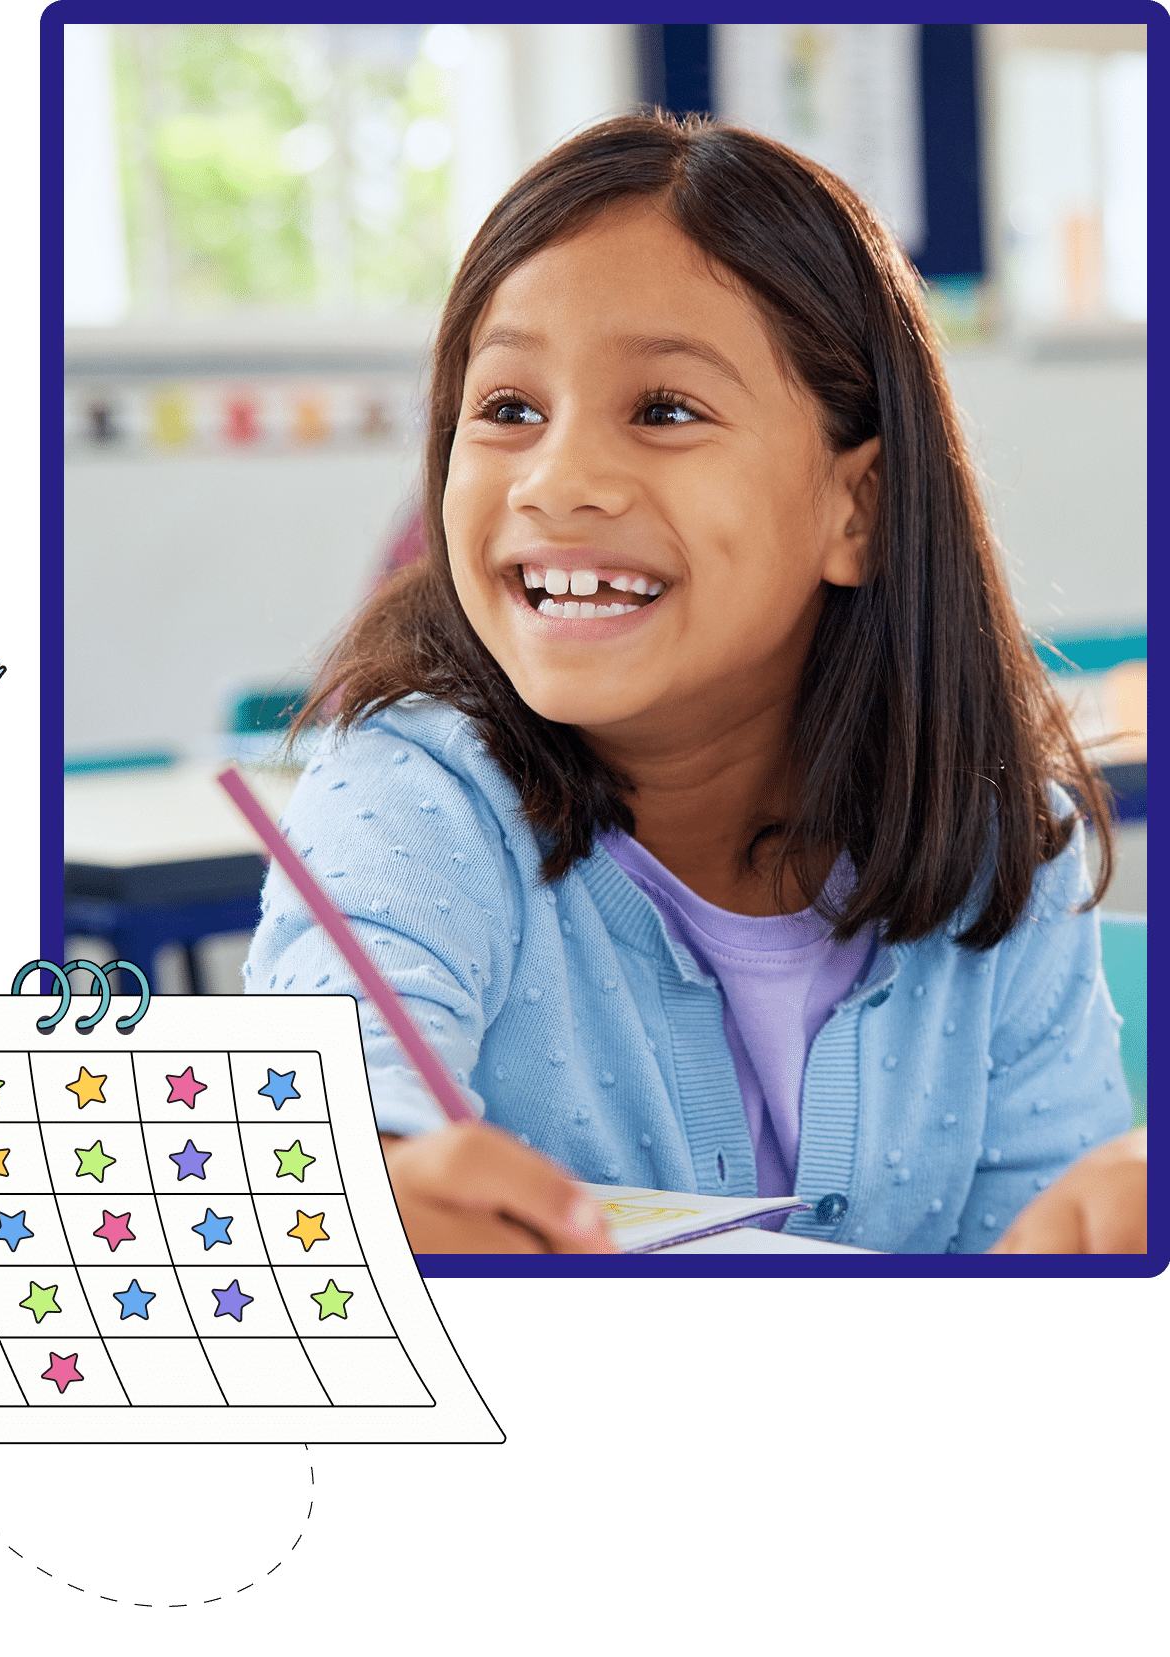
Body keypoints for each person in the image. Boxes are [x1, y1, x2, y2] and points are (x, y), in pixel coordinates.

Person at [243, 114, 1136, 1254]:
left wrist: (1095, 1236)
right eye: (508, 409)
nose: (557, 481)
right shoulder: (412, 795)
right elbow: (327, 1129)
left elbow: (1039, 1272)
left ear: (853, 508)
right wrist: (376, 1183)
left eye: (664, 410)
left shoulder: (1002, 847)